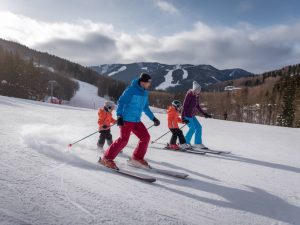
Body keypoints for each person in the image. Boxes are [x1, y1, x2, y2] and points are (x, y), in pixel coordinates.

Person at [99, 73, 160, 170]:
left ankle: (136, 158)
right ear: (143, 82)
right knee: (124, 140)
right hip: (126, 119)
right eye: (149, 83)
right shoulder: (131, 90)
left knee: (145, 137)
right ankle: (106, 158)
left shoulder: (145, 92)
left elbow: (145, 107)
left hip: (136, 120)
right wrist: (119, 116)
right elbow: (121, 103)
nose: (149, 85)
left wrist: (153, 118)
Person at [181, 81, 212, 149]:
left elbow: (197, 105)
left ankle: (197, 143)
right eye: (197, 90)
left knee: (198, 127)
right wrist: (183, 118)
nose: (199, 92)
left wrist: (204, 114)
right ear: (194, 89)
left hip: (192, 115)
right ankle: (185, 143)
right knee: (192, 128)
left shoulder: (196, 96)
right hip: (186, 115)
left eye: (199, 91)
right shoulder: (189, 94)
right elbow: (184, 106)